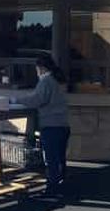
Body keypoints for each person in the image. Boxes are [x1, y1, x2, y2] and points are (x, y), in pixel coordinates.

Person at [11, 55, 70, 197]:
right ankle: (61, 184)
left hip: (51, 125)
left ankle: (52, 189)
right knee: (60, 158)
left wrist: (15, 100)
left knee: (51, 159)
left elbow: (37, 99)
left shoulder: (46, 81)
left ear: (41, 68)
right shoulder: (58, 80)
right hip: (62, 124)